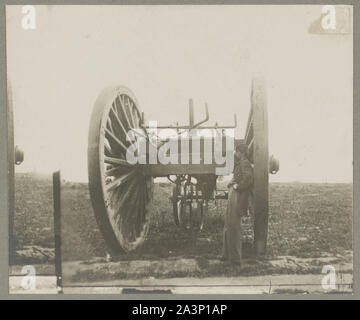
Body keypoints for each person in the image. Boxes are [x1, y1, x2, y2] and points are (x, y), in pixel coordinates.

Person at [221, 142, 254, 265]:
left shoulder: (244, 163)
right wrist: (232, 183)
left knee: (233, 225)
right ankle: (228, 255)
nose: (236, 153)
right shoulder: (241, 163)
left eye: (237, 152)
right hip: (234, 194)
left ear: (241, 152)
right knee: (229, 224)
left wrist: (237, 186)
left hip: (237, 195)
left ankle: (235, 259)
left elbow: (249, 178)